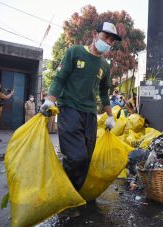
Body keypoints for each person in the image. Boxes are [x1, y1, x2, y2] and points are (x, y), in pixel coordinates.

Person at [39, 22, 121, 191]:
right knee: (76, 157)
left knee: (86, 158)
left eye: (112, 41)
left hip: (90, 115)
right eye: (106, 37)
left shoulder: (105, 66)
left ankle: (75, 192)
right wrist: (50, 100)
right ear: (94, 35)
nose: (108, 43)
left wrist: (110, 116)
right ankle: (66, 191)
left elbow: (104, 93)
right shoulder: (74, 52)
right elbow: (59, 78)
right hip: (69, 110)